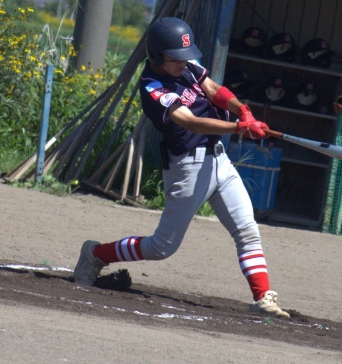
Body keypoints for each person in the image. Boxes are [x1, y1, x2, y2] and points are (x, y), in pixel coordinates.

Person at [73, 17, 290, 319]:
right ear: (156, 56)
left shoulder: (185, 65)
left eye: (184, 57)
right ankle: (96, 254)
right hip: (188, 166)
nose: (182, 62)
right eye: (174, 58)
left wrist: (243, 110)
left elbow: (213, 89)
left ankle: (263, 298)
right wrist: (239, 128)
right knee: (161, 247)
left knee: (247, 230)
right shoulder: (152, 86)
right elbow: (190, 121)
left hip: (219, 160)